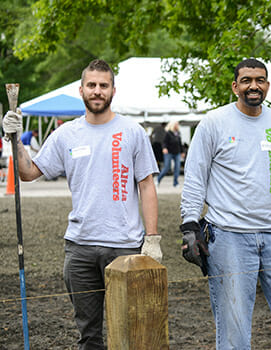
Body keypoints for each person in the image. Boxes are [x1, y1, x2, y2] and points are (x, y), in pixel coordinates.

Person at [2, 59, 162, 349]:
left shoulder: (132, 131)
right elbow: (28, 173)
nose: (97, 91)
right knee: (89, 336)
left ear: (114, 90)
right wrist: (15, 140)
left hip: (124, 246)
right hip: (80, 249)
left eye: (103, 85)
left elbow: (146, 185)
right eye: (92, 85)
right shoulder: (66, 135)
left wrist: (152, 239)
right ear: (81, 90)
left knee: (130, 331)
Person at [179, 58, 271, 349]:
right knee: (234, 330)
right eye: (246, 80)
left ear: (267, 86)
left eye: (260, 80)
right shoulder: (213, 123)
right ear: (235, 86)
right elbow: (195, 178)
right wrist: (189, 225)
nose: (253, 85)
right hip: (229, 235)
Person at [157, 120, 182, 187]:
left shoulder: (178, 133)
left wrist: (182, 152)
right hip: (169, 152)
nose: (177, 126)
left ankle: (175, 183)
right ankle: (158, 179)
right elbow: (164, 142)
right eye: (176, 124)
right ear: (173, 125)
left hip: (177, 152)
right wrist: (164, 148)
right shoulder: (168, 133)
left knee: (177, 168)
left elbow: (179, 143)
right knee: (167, 167)